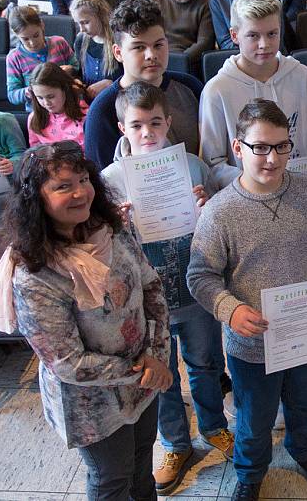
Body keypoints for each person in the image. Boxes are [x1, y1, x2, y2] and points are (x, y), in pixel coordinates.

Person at [0, 140, 171, 501]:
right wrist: (145, 368)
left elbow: (152, 287)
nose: (80, 193)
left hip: (144, 377)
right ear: (37, 198)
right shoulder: (33, 273)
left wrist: (157, 354)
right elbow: (67, 362)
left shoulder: (111, 228)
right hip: (92, 402)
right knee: (112, 479)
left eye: (83, 179)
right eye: (63, 186)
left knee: (141, 467)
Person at [186, 98, 307, 501]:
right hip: (251, 344)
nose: (272, 158)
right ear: (238, 148)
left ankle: (304, 449)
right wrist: (231, 309)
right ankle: (251, 472)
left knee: (305, 402)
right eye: (260, 147)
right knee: (254, 420)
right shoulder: (219, 213)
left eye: (282, 146)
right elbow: (200, 275)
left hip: (305, 334)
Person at [96, 83, 233, 493]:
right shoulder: (109, 181)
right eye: (137, 125)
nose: (148, 132)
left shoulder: (192, 166)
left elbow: (219, 219)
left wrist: (207, 204)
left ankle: (213, 426)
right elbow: (99, 248)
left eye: (155, 122)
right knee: (160, 374)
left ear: (168, 122)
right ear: (123, 127)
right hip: (144, 302)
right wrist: (115, 224)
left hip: (193, 288)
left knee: (207, 362)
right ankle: (175, 443)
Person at [199, 0, 307, 183]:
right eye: (253, 36)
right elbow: (213, 163)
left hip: (301, 190)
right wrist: (257, 183)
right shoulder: (217, 91)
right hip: (245, 198)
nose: (264, 44)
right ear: (234, 35)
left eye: (272, 34)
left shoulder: (303, 77)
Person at [84, 0, 204, 170]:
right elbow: (102, 182)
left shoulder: (191, 87)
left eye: (158, 45)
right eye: (139, 47)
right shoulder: (103, 110)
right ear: (118, 53)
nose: (151, 55)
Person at [5, 3, 78, 110]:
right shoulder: (14, 58)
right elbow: (12, 95)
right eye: (25, 39)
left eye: (36, 35)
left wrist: (70, 70)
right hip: (39, 112)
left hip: (67, 106)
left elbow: (76, 67)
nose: (32, 42)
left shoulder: (59, 43)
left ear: (42, 25)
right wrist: (32, 90)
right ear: (16, 35)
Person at [70, 0, 119, 98]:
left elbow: (132, 77)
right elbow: (80, 72)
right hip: (88, 103)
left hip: (115, 100)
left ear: (101, 15)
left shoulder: (119, 40)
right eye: (78, 23)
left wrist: (110, 84)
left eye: (86, 22)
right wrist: (77, 81)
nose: (82, 29)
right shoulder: (80, 41)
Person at [25, 63, 87, 147]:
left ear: (65, 89)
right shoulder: (34, 119)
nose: (46, 103)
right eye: (40, 98)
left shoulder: (86, 116)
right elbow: (35, 152)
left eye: (50, 96)